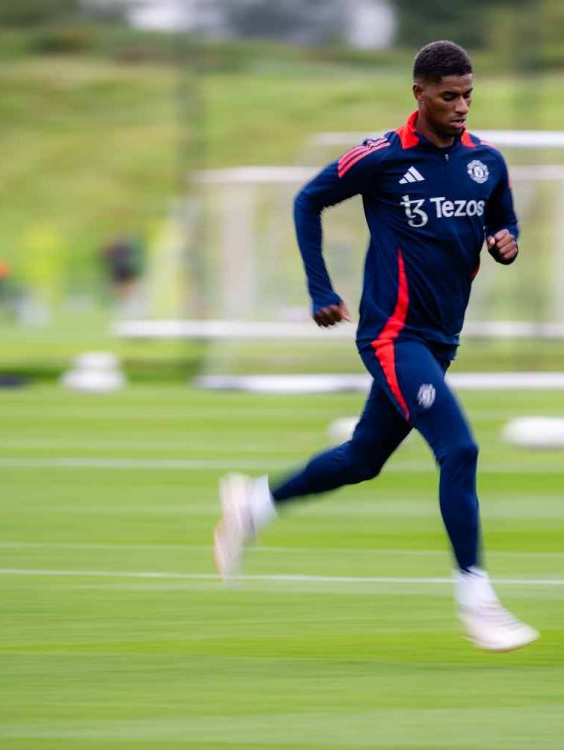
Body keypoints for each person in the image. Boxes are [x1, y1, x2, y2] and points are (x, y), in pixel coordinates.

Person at [212, 41, 537, 652]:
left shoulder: (487, 162)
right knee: (459, 449)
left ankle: (255, 503)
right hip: (392, 335)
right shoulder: (381, 157)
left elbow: (505, 220)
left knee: (363, 459)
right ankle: (477, 598)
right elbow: (309, 199)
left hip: (442, 340)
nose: (462, 105)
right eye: (449, 96)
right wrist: (319, 289)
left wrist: (505, 239)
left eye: (468, 94)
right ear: (419, 94)